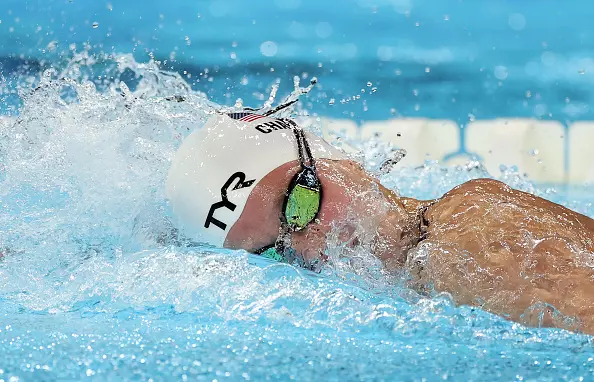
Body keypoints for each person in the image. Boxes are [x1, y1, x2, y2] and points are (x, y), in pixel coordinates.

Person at [165, 111, 594, 335]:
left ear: (334, 156)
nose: (312, 245)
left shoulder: (469, 240)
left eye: (300, 202)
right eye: (277, 252)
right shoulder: (420, 270)